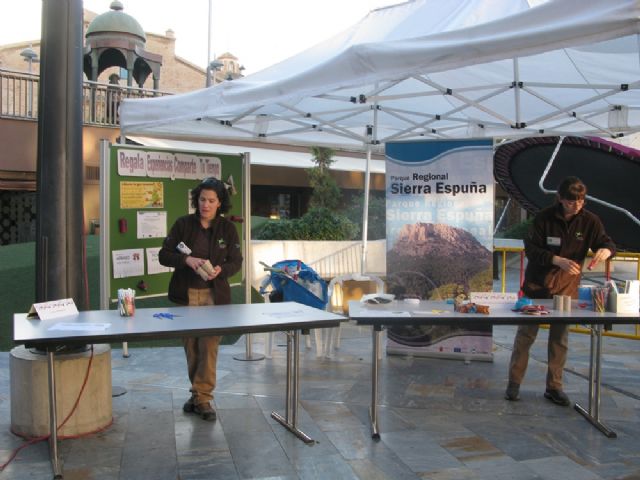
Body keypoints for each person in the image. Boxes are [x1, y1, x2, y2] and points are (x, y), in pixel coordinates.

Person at [505, 176, 615, 406]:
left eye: (581, 201)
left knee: (559, 340)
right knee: (525, 337)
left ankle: (554, 387)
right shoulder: (544, 217)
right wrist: (556, 259)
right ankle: (514, 383)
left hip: (566, 290)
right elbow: (531, 249)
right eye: (571, 201)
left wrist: (605, 251)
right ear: (560, 199)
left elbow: (606, 242)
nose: (577, 205)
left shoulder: (590, 221)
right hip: (536, 287)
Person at [159, 177, 242, 421]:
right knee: (192, 347)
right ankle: (198, 394)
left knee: (209, 346)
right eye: (202, 199)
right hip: (186, 295)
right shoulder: (183, 224)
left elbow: (236, 262)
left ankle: (204, 398)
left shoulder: (228, 229)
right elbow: (164, 254)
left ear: (219, 203)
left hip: (214, 296)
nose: (205, 204)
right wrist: (186, 260)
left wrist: (221, 270)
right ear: (197, 200)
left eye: (211, 200)